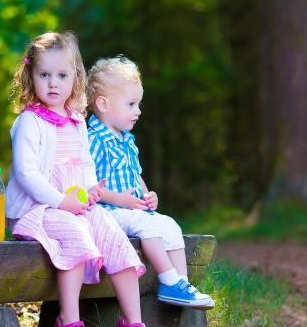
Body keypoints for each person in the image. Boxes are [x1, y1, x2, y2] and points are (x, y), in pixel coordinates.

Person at [5, 33, 157, 327]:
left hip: (73, 206)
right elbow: (26, 173)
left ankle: (133, 323)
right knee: (76, 235)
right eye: (44, 75)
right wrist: (63, 202)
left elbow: (86, 164)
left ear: (76, 76)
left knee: (113, 236)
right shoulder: (29, 122)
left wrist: (90, 191)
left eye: (62, 75)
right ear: (30, 76)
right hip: (38, 209)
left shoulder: (76, 121)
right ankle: (69, 321)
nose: (53, 83)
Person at [86, 55, 215, 310]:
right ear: (103, 104)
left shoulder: (126, 139)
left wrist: (147, 196)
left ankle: (182, 285)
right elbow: (87, 184)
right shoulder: (94, 139)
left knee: (170, 225)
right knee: (149, 228)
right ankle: (168, 280)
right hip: (107, 212)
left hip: (131, 209)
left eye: (139, 104)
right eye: (131, 104)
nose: (138, 111)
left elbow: (136, 175)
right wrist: (119, 199)